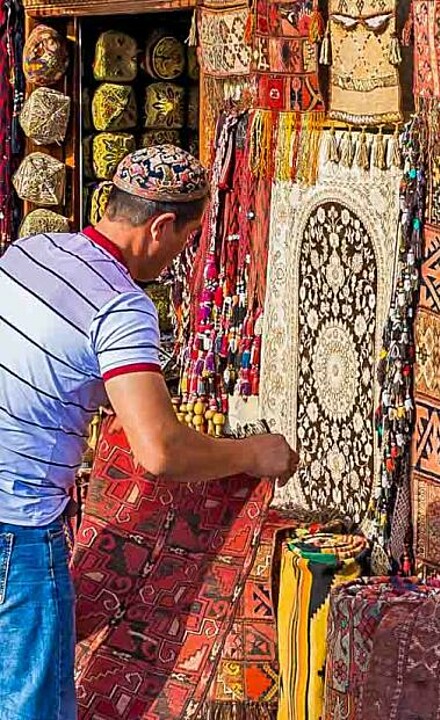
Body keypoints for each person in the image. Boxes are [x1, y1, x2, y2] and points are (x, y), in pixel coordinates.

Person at [0, 144, 298, 720]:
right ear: (162, 224)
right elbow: (159, 448)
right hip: (17, 530)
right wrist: (251, 454)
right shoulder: (120, 305)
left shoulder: (28, 253)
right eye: (186, 239)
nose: (180, 256)